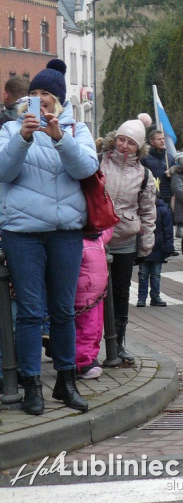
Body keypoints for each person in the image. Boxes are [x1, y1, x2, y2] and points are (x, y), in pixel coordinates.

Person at [0, 59, 98, 414]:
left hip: (65, 233)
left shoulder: (77, 131)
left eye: (47, 95)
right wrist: (24, 138)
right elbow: (3, 172)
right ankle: (30, 387)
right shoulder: (11, 130)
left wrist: (59, 138)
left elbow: (86, 168)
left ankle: (65, 382)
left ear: (60, 100)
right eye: (35, 93)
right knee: (29, 312)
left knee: (63, 311)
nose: (40, 100)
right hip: (23, 234)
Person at [100, 116, 158, 365]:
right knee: (88, 295)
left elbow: (148, 212)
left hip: (124, 240)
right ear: (114, 139)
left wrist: (146, 245)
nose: (124, 146)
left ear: (139, 148)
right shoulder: (97, 163)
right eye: (121, 140)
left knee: (121, 293)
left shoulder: (144, 174)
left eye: (131, 143)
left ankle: (118, 344)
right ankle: (85, 348)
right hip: (95, 239)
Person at [74, 227, 113, 380]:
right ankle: (83, 361)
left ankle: (91, 357)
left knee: (96, 329)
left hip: (97, 294)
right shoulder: (79, 242)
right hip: (84, 295)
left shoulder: (97, 239)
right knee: (86, 330)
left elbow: (108, 229)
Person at [138, 194, 174, 307]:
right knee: (143, 273)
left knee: (155, 274)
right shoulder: (141, 209)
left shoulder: (163, 210)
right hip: (144, 245)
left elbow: (168, 230)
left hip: (157, 246)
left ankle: (155, 296)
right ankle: (142, 297)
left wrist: (168, 247)